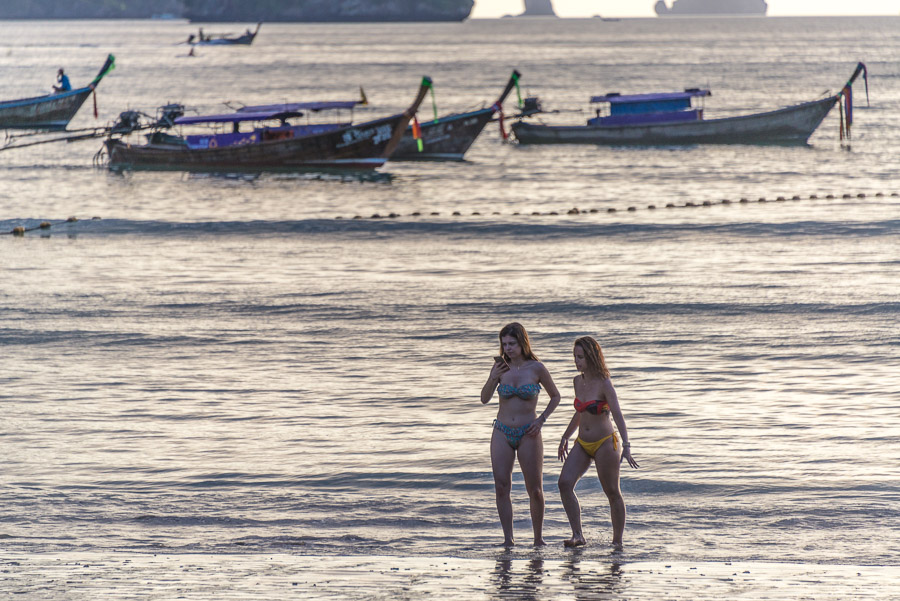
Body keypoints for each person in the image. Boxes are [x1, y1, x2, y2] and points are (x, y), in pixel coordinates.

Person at [481, 322, 561, 547]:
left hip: (529, 432)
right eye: (504, 344)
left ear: (522, 342)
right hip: (502, 431)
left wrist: (541, 420)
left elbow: (556, 396)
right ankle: (508, 539)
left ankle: (538, 539)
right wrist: (492, 378)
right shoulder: (500, 369)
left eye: (512, 344)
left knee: (535, 489)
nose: (507, 348)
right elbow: (484, 398)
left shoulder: (536, 368)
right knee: (501, 485)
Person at [557, 336, 639, 549]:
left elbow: (618, 415)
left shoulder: (604, 383)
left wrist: (627, 445)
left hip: (605, 442)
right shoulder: (577, 381)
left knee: (612, 491)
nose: (577, 361)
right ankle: (578, 535)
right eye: (574, 357)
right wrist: (565, 436)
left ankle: (617, 543)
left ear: (592, 357)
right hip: (583, 443)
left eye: (581, 357)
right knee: (564, 483)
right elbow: (580, 412)